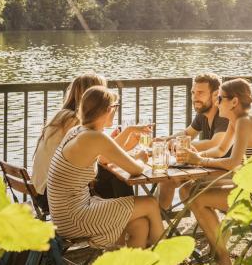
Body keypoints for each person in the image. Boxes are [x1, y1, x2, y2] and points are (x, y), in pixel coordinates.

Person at [47, 86, 164, 249]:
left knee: (141, 224)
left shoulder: (78, 131)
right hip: (75, 217)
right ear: (109, 109)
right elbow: (136, 170)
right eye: (115, 107)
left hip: (65, 215)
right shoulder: (94, 137)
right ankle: (168, 261)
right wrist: (141, 158)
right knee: (150, 203)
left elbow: (103, 157)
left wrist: (129, 130)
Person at [177, 79, 252, 265]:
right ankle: (219, 240)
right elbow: (221, 150)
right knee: (188, 188)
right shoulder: (236, 121)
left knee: (197, 198)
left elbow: (233, 162)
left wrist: (199, 160)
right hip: (246, 184)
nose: (216, 102)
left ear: (234, 102)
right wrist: (194, 155)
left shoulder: (244, 122)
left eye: (219, 98)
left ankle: (223, 260)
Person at [33, 73, 147, 205]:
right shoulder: (73, 121)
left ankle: (127, 215)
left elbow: (98, 152)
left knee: (109, 175)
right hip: (55, 195)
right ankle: (129, 214)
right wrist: (133, 152)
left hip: (42, 190)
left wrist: (124, 144)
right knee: (114, 177)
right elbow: (102, 156)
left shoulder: (62, 117)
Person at [158, 73, 230, 210]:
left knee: (181, 186)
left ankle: (154, 220)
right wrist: (164, 140)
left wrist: (179, 146)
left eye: (200, 93)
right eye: (193, 92)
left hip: (226, 170)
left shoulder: (223, 114)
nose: (195, 97)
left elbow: (215, 144)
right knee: (167, 179)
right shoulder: (203, 113)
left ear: (216, 94)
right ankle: (157, 220)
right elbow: (187, 133)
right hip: (207, 166)